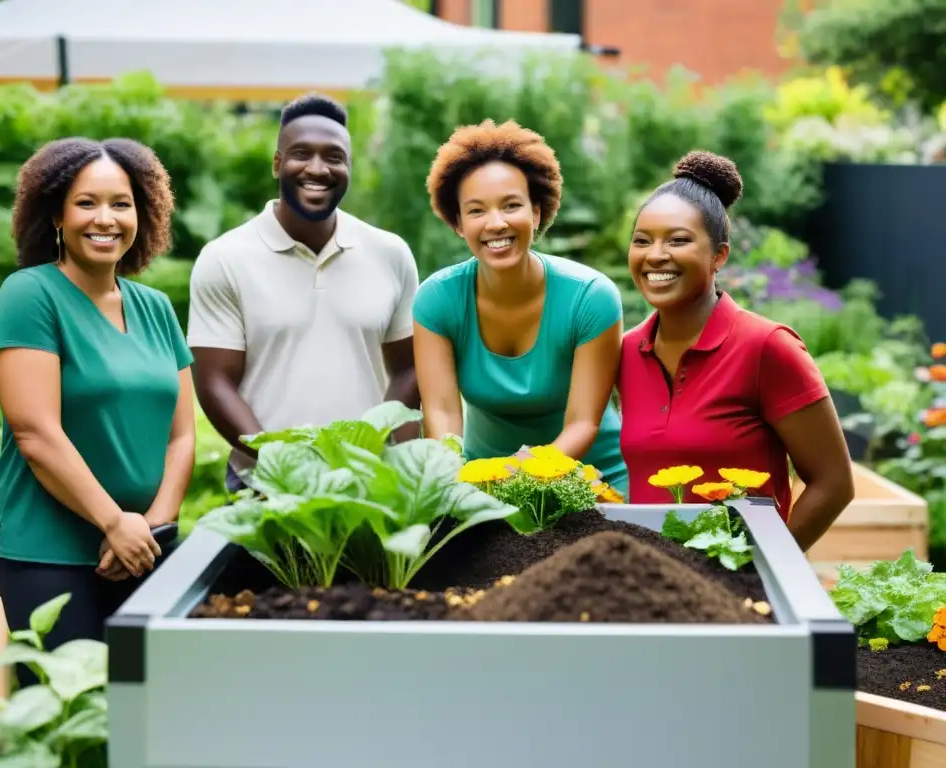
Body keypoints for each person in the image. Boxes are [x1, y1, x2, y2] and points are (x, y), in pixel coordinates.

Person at [0, 138, 194, 677]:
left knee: (143, 716)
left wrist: (150, 527)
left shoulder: (155, 308)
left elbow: (181, 437)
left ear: (142, 214)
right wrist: (112, 523)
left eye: (121, 204)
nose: (106, 219)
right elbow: (35, 434)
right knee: (66, 719)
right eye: (86, 203)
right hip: (47, 551)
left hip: (144, 550)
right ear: (55, 212)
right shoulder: (30, 295)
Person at [618, 149, 853, 551]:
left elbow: (833, 483)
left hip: (737, 595)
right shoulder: (625, 352)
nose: (655, 255)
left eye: (678, 240)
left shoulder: (767, 348)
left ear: (718, 256)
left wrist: (767, 568)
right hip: (648, 585)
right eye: (643, 240)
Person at [187, 93, 420, 492]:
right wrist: (284, 467)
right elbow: (214, 384)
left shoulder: (390, 253)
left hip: (370, 483)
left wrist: (368, 457)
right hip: (262, 484)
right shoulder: (224, 258)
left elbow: (410, 367)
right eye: (301, 154)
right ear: (278, 163)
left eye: (334, 156)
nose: (317, 168)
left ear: (348, 166)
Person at [412, 119, 628, 493]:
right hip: (484, 486)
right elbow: (443, 413)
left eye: (511, 205)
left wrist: (520, 478)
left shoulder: (590, 297)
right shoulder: (438, 300)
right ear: (458, 224)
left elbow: (582, 423)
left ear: (537, 213)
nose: (496, 223)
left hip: (592, 480)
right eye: (476, 211)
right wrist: (453, 486)